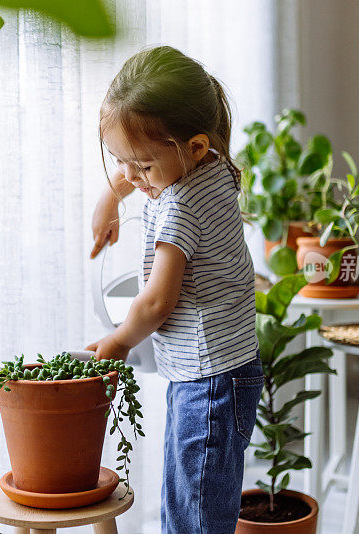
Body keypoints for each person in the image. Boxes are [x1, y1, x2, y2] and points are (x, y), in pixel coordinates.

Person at [86, 45, 264, 534]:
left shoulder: (180, 204)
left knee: (195, 515)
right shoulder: (214, 170)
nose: (130, 177)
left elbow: (160, 300)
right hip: (225, 370)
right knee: (191, 499)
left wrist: (120, 341)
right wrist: (110, 196)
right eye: (119, 163)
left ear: (195, 147)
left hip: (209, 382)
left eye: (139, 167)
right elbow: (149, 165)